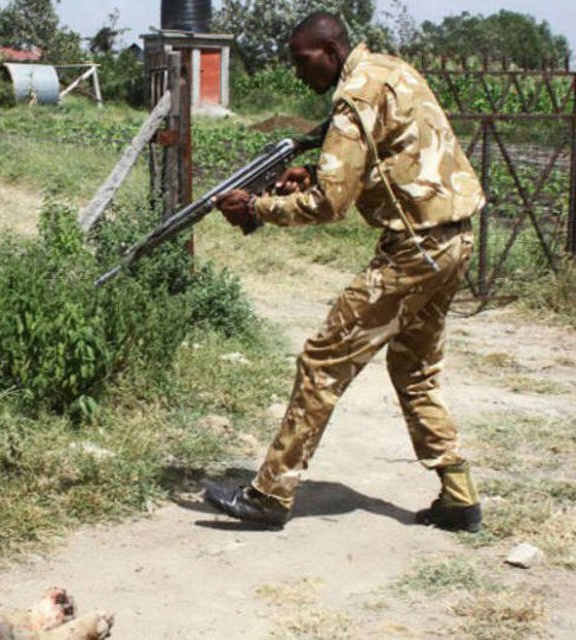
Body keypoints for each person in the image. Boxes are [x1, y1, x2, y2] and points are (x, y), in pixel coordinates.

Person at [204, 11, 484, 532]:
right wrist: (315, 170)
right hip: (456, 238)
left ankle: (270, 494)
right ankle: (458, 495)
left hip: (415, 250)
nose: (296, 73)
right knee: (414, 368)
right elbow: (391, 154)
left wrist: (257, 208)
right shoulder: (389, 69)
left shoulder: (352, 95)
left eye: (300, 60)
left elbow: (329, 205)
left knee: (322, 360)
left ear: (329, 52)